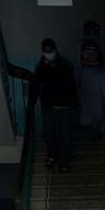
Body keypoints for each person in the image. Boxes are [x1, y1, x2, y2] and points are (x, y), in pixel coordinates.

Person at [28, 37, 78, 173]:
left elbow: (72, 86)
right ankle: (52, 156)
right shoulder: (40, 67)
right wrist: (32, 102)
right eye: (46, 51)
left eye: (51, 51)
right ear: (43, 51)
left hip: (65, 106)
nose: (49, 53)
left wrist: (74, 105)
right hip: (49, 106)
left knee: (65, 135)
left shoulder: (65, 65)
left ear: (55, 49)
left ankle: (64, 163)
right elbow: (35, 86)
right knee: (49, 133)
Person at [75, 19, 105, 139]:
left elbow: (78, 66)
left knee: (88, 107)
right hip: (102, 79)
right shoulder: (102, 45)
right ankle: (104, 133)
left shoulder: (81, 46)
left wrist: (77, 81)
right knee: (104, 106)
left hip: (86, 80)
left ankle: (90, 131)